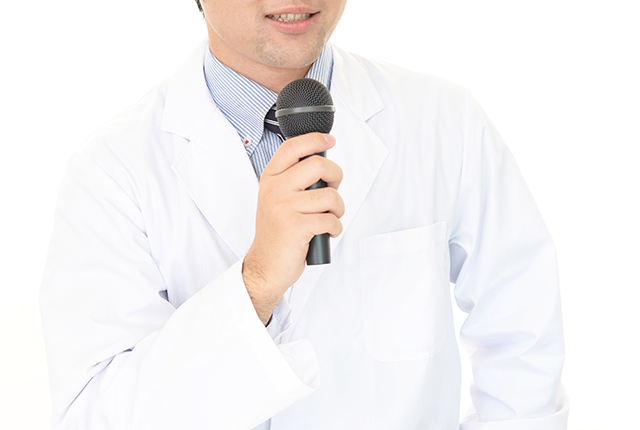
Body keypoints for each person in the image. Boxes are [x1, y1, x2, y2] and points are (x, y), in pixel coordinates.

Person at [40, 0, 569, 428]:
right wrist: (257, 283)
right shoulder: (111, 171)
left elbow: (522, 334)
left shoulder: (444, 119)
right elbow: (98, 413)